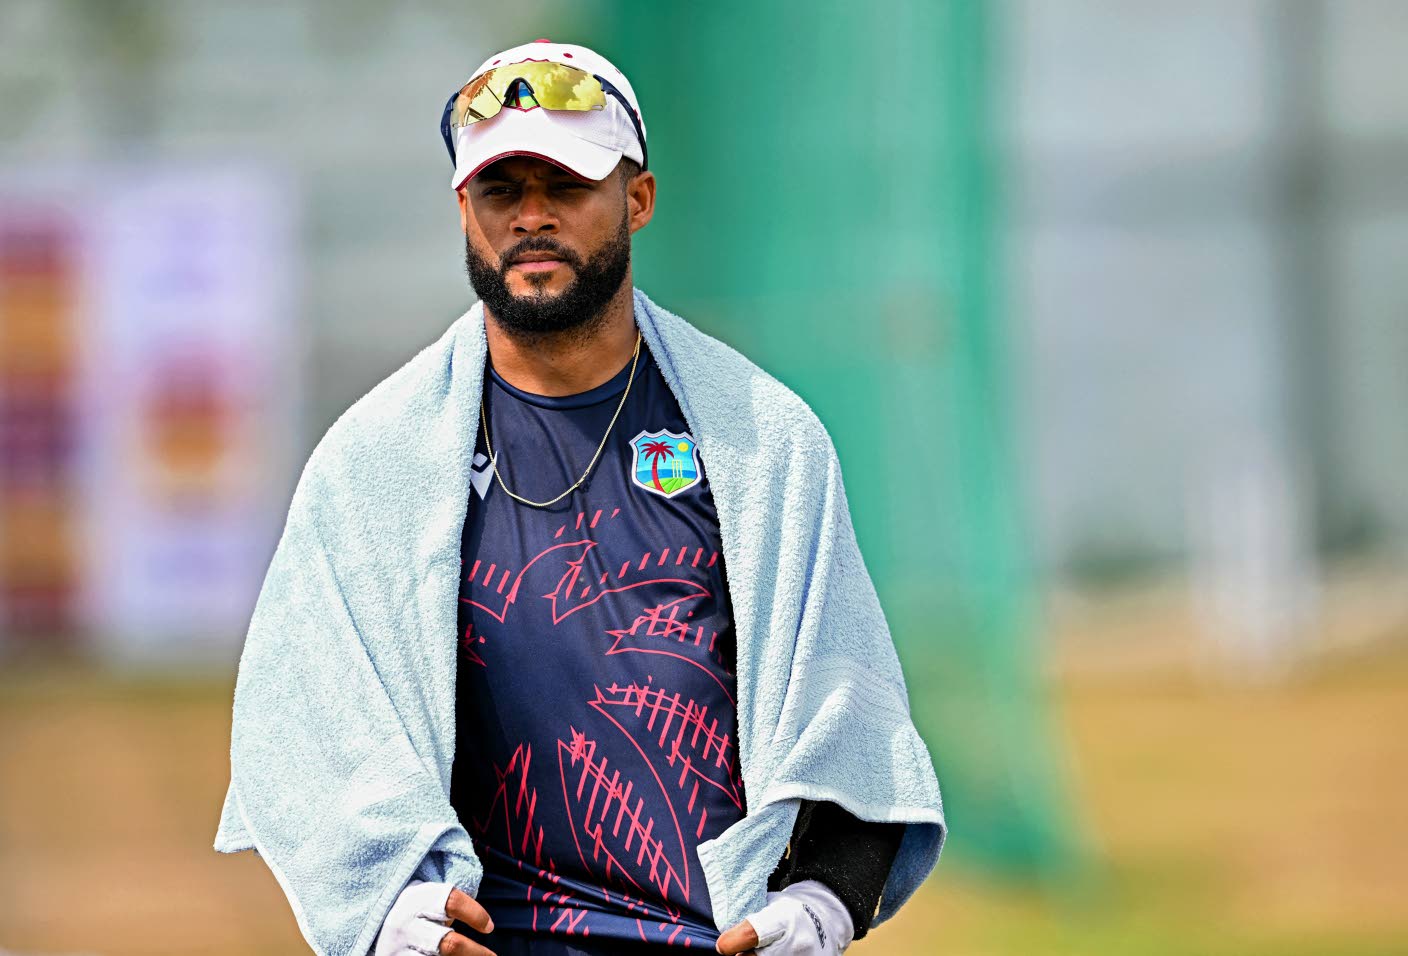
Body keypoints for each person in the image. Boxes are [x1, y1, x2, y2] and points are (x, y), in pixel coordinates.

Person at [214, 38, 945, 956]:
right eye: (500, 190)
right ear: (464, 209)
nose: (531, 216)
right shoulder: (371, 464)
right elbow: (301, 729)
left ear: (637, 199)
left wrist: (824, 903)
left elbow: (855, 725)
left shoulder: (763, 443)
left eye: (565, 183)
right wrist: (381, 910)